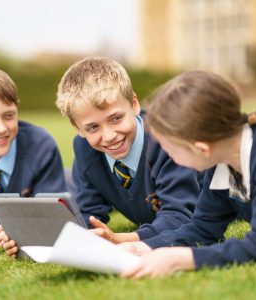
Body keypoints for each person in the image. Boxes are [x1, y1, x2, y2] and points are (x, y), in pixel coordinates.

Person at [121, 70, 256, 279]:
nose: (169, 156)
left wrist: (183, 259)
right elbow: (203, 228)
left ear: (201, 148)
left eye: (170, 150)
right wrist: (146, 247)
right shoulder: (221, 161)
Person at [55, 56, 201, 248]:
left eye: (116, 118)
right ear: (78, 128)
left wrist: (120, 239)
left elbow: (179, 216)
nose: (108, 136)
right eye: (92, 128)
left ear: (134, 105)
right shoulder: (85, 149)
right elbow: (87, 211)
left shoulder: (167, 139)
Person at [0, 63, 66, 257]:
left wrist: (19, 227)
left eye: (9, 116)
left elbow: (53, 219)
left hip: (64, 183)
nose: (1, 128)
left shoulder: (41, 146)